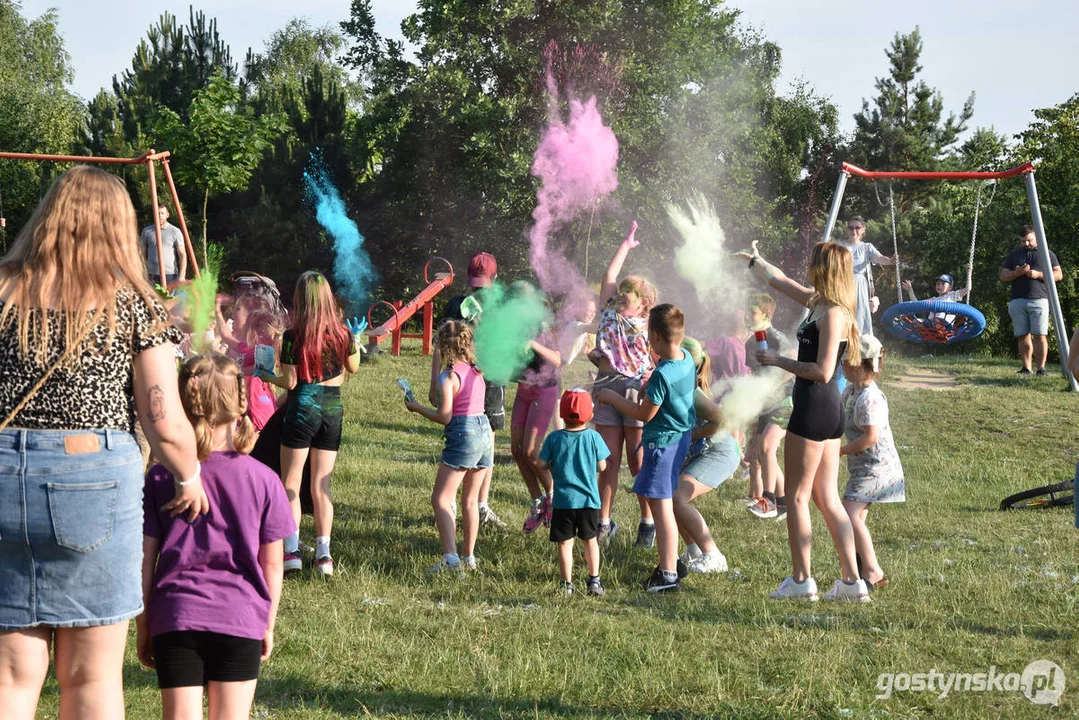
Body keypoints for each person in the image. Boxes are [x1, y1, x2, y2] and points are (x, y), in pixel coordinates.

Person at [0, 165, 205, 719]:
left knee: (11, 676)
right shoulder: (130, 301)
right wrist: (190, 477)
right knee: (89, 677)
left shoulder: (2, 286)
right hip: (88, 480)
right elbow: (163, 419)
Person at [138, 354, 294, 720]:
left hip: (175, 615)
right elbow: (272, 562)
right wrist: (267, 623)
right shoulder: (265, 480)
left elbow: (144, 559)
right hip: (241, 618)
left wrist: (144, 623)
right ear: (240, 404)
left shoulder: (161, 478)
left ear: (182, 406)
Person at [735, 241, 869, 603]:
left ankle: (801, 580)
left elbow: (823, 371)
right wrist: (755, 261)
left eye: (813, 262)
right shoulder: (818, 302)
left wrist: (778, 361)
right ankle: (852, 583)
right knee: (826, 497)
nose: (807, 266)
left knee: (796, 497)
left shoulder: (834, 314)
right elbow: (779, 282)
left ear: (825, 268)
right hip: (826, 409)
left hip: (815, 407)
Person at [597, 304, 696, 592]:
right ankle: (671, 560)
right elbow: (664, 383)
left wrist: (611, 398)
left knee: (661, 505)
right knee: (660, 500)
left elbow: (643, 415)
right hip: (680, 438)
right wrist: (651, 382)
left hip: (661, 444)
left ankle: (667, 575)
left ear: (653, 335)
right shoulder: (686, 357)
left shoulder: (663, 375)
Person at [277, 271, 362, 577]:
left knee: (291, 482)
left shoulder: (292, 336)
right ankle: (324, 555)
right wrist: (356, 341)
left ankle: (292, 551)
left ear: (300, 300)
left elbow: (288, 381)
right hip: (332, 408)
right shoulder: (343, 334)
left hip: (302, 405)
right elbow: (354, 366)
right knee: (321, 484)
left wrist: (264, 374)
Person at [589, 221, 659, 548]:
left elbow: (661, 358)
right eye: (621, 290)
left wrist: (652, 378)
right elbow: (608, 278)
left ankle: (648, 522)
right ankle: (604, 522)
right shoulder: (608, 311)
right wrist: (625, 245)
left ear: (643, 303)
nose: (621, 294)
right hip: (605, 387)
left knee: (637, 461)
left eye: (628, 292)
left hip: (635, 390)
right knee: (608, 461)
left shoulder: (649, 324)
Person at [407, 320, 493, 572]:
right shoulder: (477, 371)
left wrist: (417, 408)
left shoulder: (449, 376)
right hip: (484, 431)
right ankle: (469, 558)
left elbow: (444, 415)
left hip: (463, 433)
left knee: (441, 499)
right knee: (470, 500)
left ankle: (451, 558)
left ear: (442, 346)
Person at [429, 252, 506, 528]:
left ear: (466, 278)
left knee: (458, 432)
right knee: (488, 439)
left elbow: (440, 343)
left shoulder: (455, 303)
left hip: (457, 380)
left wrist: (433, 382)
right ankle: (480, 504)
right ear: (495, 278)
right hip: (489, 381)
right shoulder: (498, 306)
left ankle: (455, 499)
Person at [838, 335, 904, 591]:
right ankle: (863, 567)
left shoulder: (869, 398)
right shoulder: (851, 390)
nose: (841, 364)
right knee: (854, 516)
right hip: (864, 467)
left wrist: (840, 451)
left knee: (848, 514)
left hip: (877, 467)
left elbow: (870, 437)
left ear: (856, 364)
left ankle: (873, 571)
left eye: (844, 360)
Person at [672, 338, 738, 575]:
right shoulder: (679, 385)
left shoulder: (692, 392)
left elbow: (723, 421)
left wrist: (692, 435)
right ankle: (693, 551)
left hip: (720, 453)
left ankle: (713, 555)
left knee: (677, 497)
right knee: (670, 497)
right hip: (704, 451)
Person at [535, 389, 610, 595]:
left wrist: (554, 464)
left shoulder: (554, 438)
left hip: (563, 502)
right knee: (590, 541)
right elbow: (602, 466)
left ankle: (567, 585)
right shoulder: (594, 437)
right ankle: (594, 581)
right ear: (590, 415)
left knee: (565, 543)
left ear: (561, 414)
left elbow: (541, 464)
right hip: (588, 502)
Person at [743, 294, 795, 521]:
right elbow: (754, 374)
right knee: (765, 454)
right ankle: (784, 504)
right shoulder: (749, 342)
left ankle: (768, 500)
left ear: (766, 314)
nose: (747, 315)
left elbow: (793, 366)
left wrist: (772, 385)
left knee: (766, 447)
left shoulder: (778, 340)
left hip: (784, 402)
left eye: (752, 311)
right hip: (763, 405)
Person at [514, 334, 562, 534]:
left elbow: (557, 359)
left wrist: (532, 343)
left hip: (544, 390)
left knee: (531, 452)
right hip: (523, 388)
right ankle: (538, 502)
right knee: (516, 450)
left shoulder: (544, 324)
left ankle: (553, 497)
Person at [1000, 225, 1062, 375]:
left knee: (1040, 335)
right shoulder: (1014, 254)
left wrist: (1038, 275)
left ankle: (1041, 368)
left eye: (1029, 240)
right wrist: (1016, 273)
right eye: (1023, 241)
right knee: (1022, 335)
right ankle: (1026, 368)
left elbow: (1059, 275)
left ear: (1036, 237)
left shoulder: (1047, 253)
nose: (1026, 244)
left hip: (1039, 300)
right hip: (1017, 301)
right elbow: (1003, 276)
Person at [837, 216, 896, 337]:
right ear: (847, 229)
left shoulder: (866, 247)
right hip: (841, 282)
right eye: (851, 227)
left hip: (859, 283)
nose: (854, 230)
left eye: (857, 227)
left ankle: (860, 343)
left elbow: (879, 258)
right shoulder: (839, 246)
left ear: (863, 230)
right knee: (840, 312)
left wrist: (890, 261)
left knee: (859, 313)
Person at [141, 204, 187, 287]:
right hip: (151, 275)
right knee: (152, 300)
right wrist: (142, 272)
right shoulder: (147, 231)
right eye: (157, 213)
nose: (160, 216)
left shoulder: (175, 231)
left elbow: (182, 254)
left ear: (167, 215)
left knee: (169, 299)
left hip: (170, 275)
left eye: (162, 213)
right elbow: (142, 253)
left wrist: (182, 276)